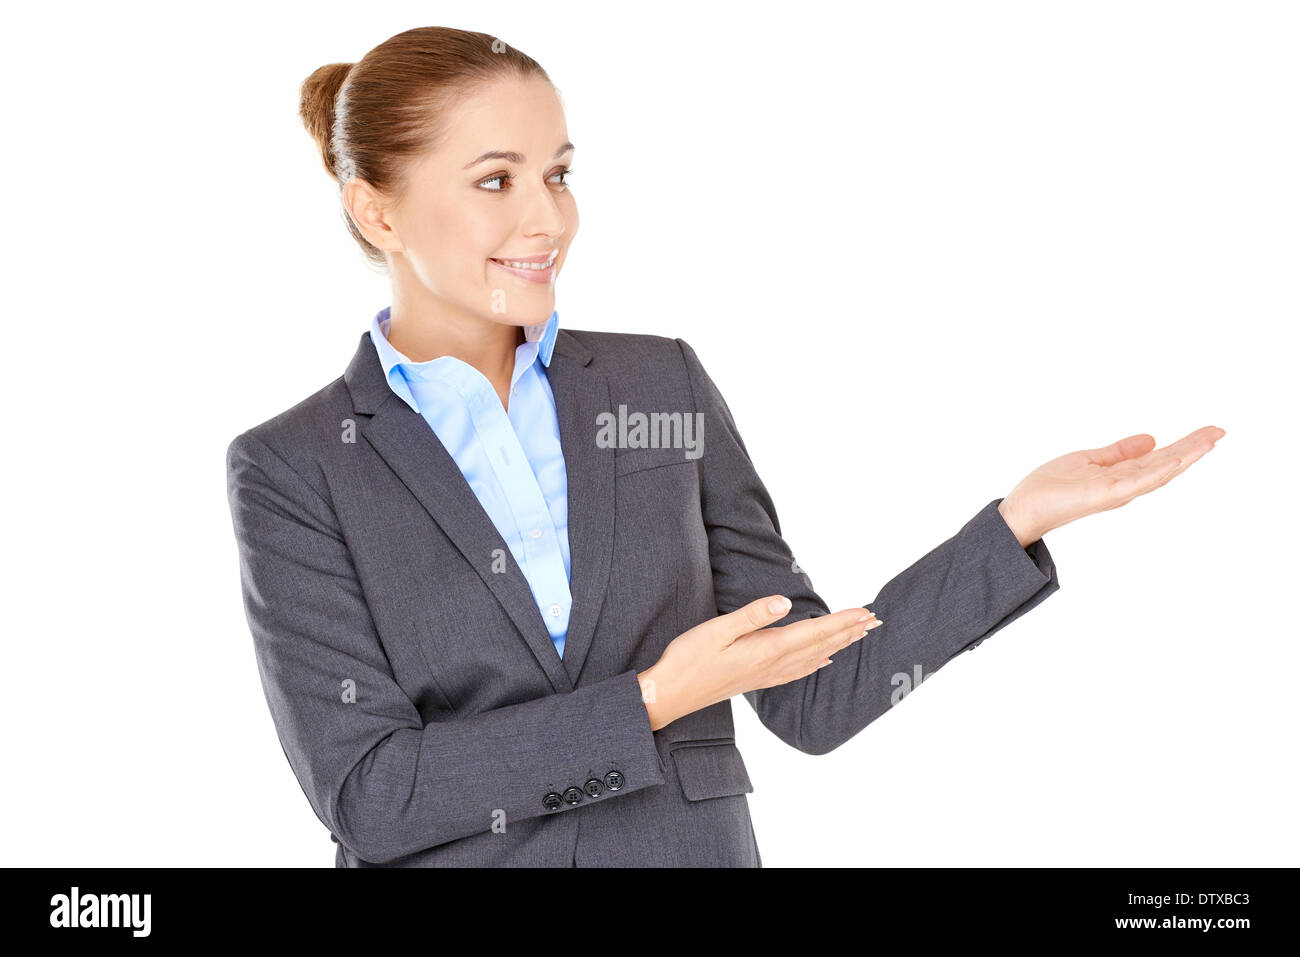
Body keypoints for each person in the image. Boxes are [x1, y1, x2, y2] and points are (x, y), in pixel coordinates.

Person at [225, 25, 1224, 867]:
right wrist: (656, 701)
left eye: (560, 174)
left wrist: (1013, 525)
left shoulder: (658, 385)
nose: (550, 218)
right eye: (496, 180)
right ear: (378, 208)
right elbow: (370, 791)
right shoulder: (294, 464)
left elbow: (810, 693)